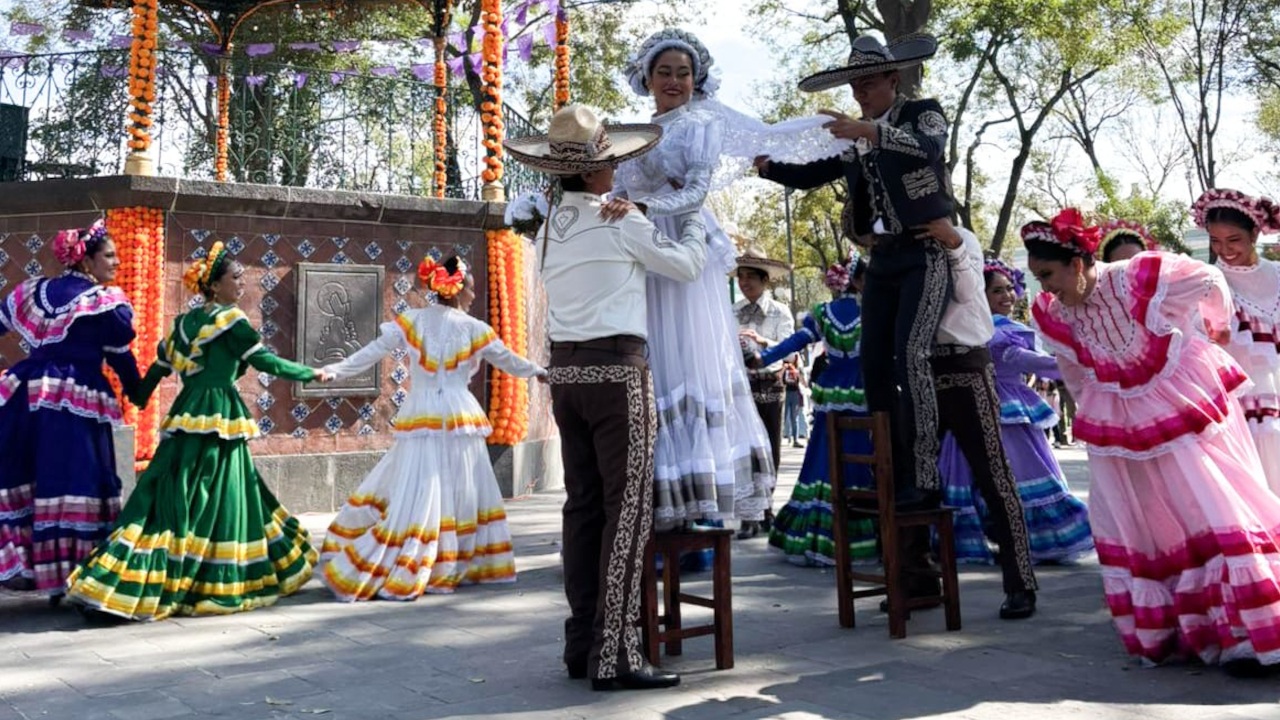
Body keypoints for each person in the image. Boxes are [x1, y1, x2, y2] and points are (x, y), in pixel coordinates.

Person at [1025, 208, 1280, 676]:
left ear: (1076, 263)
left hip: (1175, 400)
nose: (1045, 288)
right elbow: (1073, 372)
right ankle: (1193, 628)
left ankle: (1248, 629)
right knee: (1151, 524)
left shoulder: (1135, 275)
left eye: (1048, 274)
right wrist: (1098, 417)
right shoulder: (1052, 312)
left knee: (1214, 504)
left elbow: (1208, 280)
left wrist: (1215, 327)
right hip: (1118, 420)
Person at [505, 104, 708, 690]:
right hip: (618, 373)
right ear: (597, 171)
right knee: (628, 513)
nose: (615, 175)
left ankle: (582, 642)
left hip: (566, 378)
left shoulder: (545, 226)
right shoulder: (620, 217)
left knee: (583, 508)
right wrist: (692, 216)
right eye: (611, 164)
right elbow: (688, 266)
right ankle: (616, 652)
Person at [65, 242, 322, 621]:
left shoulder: (182, 325)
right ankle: (209, 578)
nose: (243, 284)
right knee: (225, 496)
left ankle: (112, 578)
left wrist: (131, 392)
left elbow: (152, 375)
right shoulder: (231, 321)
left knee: (165, 496)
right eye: (236, 278)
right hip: (219, 416)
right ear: (214, 286)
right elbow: (266, 362)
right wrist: (312, 373)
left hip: (186, 416)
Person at [755, 33, 957, 510]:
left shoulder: (921, 111)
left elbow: (929, 148)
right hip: (882, 259)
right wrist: (768, 168)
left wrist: (871, 133)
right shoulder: (855, 138)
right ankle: (891, 472)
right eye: (854, 86)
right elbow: (815, 172)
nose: (859, 93)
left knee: (912, 358)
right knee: (873, 366)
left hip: (925, 253)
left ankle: (925, 478)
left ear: (893, 78)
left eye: (867, 83)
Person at [611, 29, 783, 534]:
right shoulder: (633, 133)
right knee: (653, 359)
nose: (673, 81)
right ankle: (659, 498)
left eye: (683, 73)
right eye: (663, 72)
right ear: (646, 78)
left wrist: (644, 207)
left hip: (683, 244)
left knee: (689, 356)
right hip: (640, 246)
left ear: (696, 79)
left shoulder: (700, 124)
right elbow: (619, 186)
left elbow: (696, 192)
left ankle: (701, 502)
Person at [317, 256, 546, 602]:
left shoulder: (411, 321)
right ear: (455, 290)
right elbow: (507, 360)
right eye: (469, 286)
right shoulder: (473, 328)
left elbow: (372, 352)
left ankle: (427, 557)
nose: (473, 293)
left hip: (423, 413)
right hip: (457, 414)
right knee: (458, 488)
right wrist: (539, 371)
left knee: (422, 485)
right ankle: (446, 561)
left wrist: (336, 369)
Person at [0, 221, 141, 600]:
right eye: (109, 255)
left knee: (28, 473)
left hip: (26, 394)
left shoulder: (34, 291)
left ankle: (27, 566)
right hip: (73, 400)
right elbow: (122, 360)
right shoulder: (103, 302)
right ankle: (72, 572)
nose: (116, 262)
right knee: (75, 478)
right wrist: (141, 388)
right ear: (87, 261)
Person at [911, 221, 1038, 619]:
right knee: (915, 477)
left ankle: (1021, 583)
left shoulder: (961, 238)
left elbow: (968, 294)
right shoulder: (896, 243)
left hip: (965, 364)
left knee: (993, 475)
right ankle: (919, 579)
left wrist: (950, 245)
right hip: (918, 368)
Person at [937, 258, 1093, 565]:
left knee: (1000, 477)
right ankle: (1026, 541)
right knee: (1018, 473)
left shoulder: (976, 328)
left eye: (1009, 288)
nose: (1007, 296)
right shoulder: (993, 331)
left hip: (999, 407)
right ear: (980, 296)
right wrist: (1084, 362)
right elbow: (1031, 362)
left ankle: (1013, 539)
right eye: (997, 291)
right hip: (1001, 410)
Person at [753, 254, 879, 566]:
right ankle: (859, 532)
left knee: (823, 457)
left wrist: (764, 358)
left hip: (831, 392)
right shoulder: (873, 310)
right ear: (860, 281)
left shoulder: (824, 313)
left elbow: (797, 341)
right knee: (860, 459)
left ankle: (813, 535)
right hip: (863, 389)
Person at [1193, 188, 1280, 495]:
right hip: (1239, 410)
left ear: (1254, 234)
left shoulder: (1278, 275)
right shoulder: (1208, 283)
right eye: (1216, 241)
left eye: (1234, 240)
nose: (1225, 250)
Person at [734, 245, 795, 520]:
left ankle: (767, 505)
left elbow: (791, 350)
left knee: (770, 448)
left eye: (750, 277)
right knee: (744, 451)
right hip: (742, 388)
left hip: (771, 385)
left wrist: (763, 344)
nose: (744, 282)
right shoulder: (731, 311)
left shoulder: (780, 312)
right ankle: (750, 512)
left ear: (764, 280)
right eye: (740, 276)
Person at [781, 360, 808, 448]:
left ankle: (795, 440)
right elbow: (779, 378)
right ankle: (782, 438)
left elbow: (804, 383)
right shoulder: (783, 367)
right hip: (785, 393)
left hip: (795, 393)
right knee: (783, 417)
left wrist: (799, 374)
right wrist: (783, 369)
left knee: (794, 418)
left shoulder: (797, 369)